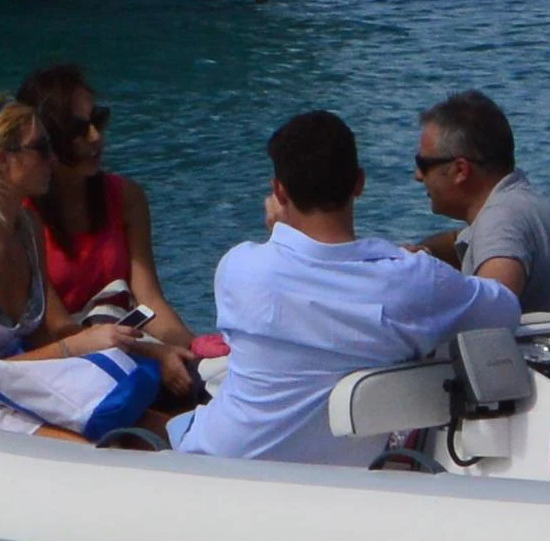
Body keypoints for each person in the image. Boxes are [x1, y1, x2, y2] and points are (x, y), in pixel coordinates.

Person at [172, 110, 520, 462]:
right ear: (359, 183)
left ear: (280, 191)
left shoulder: (239, 268)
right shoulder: (412, 282)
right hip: (337, 474)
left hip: (218, 461)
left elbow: (285, 293)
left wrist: (277, 232)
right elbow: (504, 307)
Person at [0, 91, 165, 442]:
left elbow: (41, 338)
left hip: (10, 389)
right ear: (0, 159)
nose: (54, 160)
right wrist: (79, 346)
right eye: (41, 148)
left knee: (156, 425)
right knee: (91, 450)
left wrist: (142, 345)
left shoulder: (28, 229)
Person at [16, 62, 199, 413]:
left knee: (197, 381)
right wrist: (156, 353)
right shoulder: (23, 219)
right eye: (79, 128)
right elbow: (58, 329)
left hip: (125, 345)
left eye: (98, 120)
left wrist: (190, 350)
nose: (96, 137)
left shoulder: (126, 197)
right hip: (63, 362)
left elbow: (150, 301)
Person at [410, 94, 550, 324]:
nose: (418, 176)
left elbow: (490, 319)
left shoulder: (501, 220)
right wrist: (422, 254)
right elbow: (459, 242)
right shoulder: (521, 202)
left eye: (424, 165)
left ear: (461, 170)